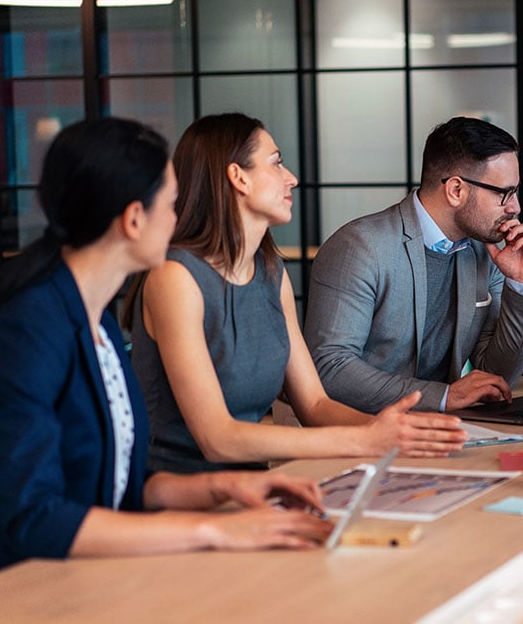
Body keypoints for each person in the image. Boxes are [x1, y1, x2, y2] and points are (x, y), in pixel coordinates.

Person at [0, 118, 331, 587]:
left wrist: (227, 486)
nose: (179, 218)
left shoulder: (98, 321)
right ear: (133, 219)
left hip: (86, 579)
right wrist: (214, 529)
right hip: (7, 590)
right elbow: (38, 518)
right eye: (171, 205)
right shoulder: (25, 330)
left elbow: (121, 487)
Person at [128, 113, 465, 474]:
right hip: (175, 494)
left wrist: (397, 430)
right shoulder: (174, 277)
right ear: (238, 177)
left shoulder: (271, 272)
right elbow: (217, 438)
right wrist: (362, 440)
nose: (291, 178)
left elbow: (315, 404)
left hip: (253, 485)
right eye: (276, 163)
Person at [305, 116, 523, 414]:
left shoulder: (484, 252)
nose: (516, 207)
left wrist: (521, 284)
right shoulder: (359, 247)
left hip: (437, 428)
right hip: (359, 428)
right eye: (504, 193)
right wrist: (443, 397)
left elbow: (498, 376)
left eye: (515, 191)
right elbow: (330, 367)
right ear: (456, 190)